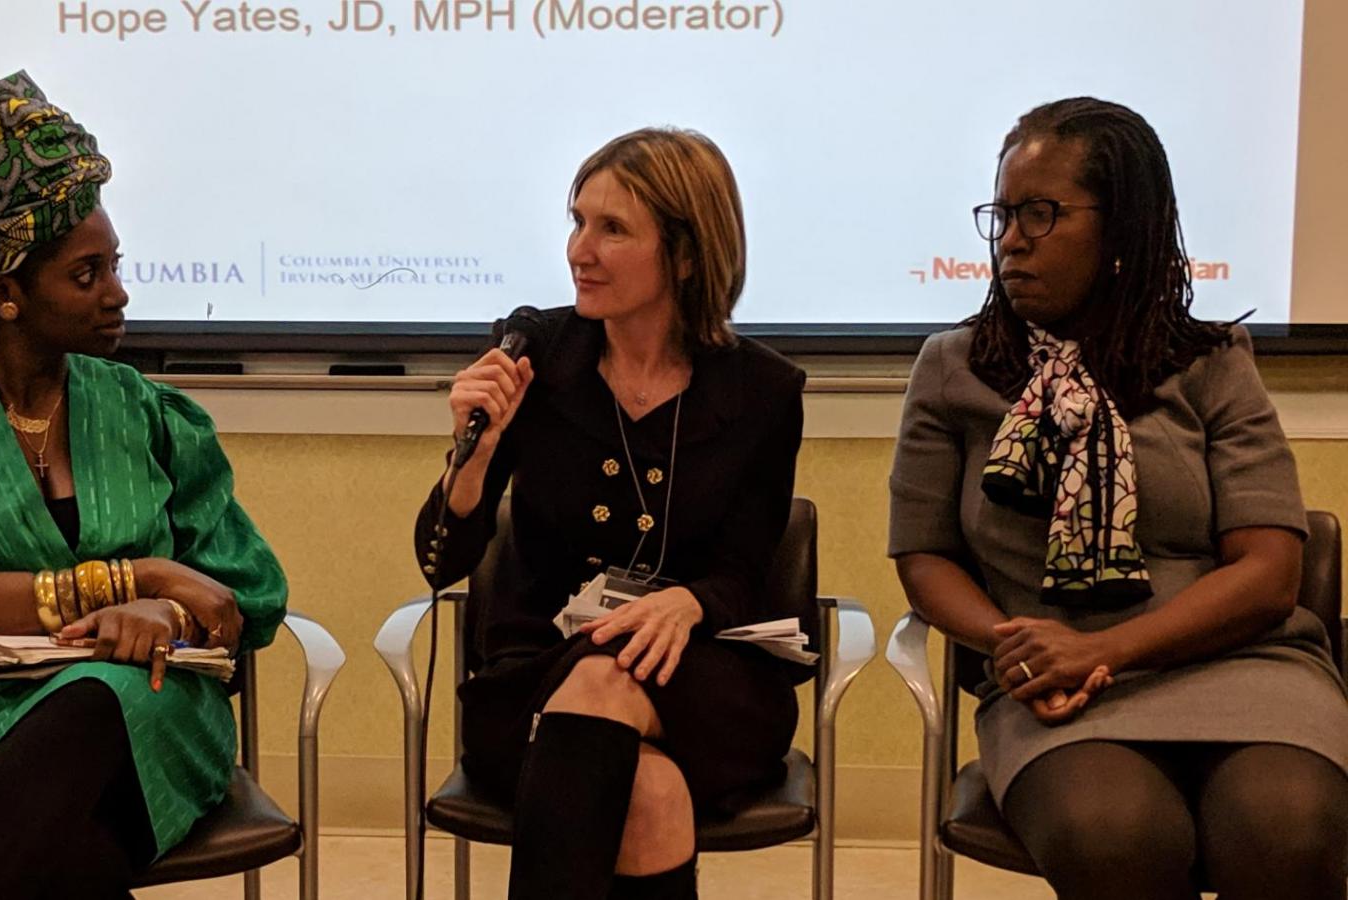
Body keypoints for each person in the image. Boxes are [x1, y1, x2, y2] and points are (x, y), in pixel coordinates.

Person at [0, 71, 287, 900]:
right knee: (62, 858)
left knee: (86, 712)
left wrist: (170, 612)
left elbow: (242, 598)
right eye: (86, 276)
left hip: (153, 705)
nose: (118, 294)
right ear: (5, 293)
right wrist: (137, 578)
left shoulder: (150, 414)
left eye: (115, 265)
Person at [888, 97, 1348, 900]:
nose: (1011, 241)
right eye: (1001, 215)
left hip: (1243, 667)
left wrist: (1107, 649)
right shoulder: (953, 367)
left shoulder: (1212, 361)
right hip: (1052, 690)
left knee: (1285, 833)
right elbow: (925, 558)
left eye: (1041, 214)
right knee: (1117, 838)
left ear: (1123, 228)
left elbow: (1271, 571)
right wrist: (1019, 643)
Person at [413, 127, 807, 900]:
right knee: (648, 793)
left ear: (687, 254)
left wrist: (688, 601)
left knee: (610, 688)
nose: (578, 250)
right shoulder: (536, 357)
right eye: (577, 220)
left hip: (702, 674)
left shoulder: (761, 393)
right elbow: (439, 562)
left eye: (613, 229)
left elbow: (745, 571)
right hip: (537, 672)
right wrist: (475, 458)